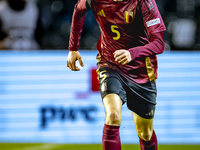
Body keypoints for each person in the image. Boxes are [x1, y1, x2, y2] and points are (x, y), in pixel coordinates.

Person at [67, 0, 166, 150]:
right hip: (110, 64)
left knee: (145, 132)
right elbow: (78, 10)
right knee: (113, 116)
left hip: (141, 70)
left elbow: (159, 43)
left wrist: (132, 53)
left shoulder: (144, 2)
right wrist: (73, 48)